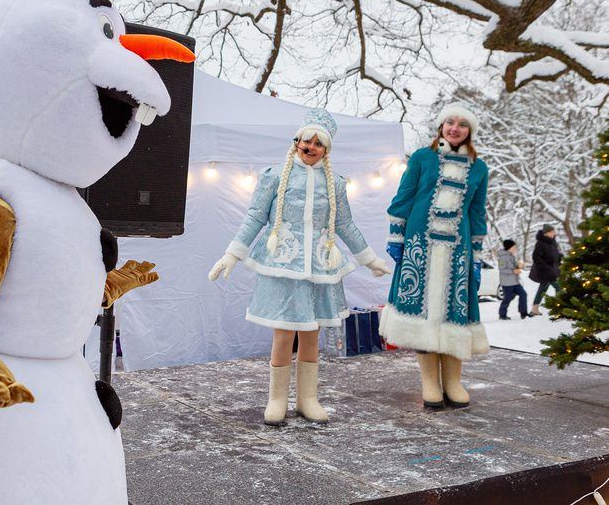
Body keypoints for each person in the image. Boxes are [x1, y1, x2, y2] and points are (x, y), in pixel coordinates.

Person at [208, 108, 391, 426]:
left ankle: (308, 398)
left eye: (319, 143)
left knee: (311, 333)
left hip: (320, 268)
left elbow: (345, 224)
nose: (311, 147)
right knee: (283, 332)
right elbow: (255, 217)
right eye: (307, 140)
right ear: (297, 140)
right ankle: (277, 398)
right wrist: (231, 254)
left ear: (326, 149)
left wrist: (369, 258)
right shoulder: (275, 176)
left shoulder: (334, 183)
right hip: (283, 265)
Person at [379, 105, 489, 409]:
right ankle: (429, 382)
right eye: (450, 122)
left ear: (470, 131)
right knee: (421, 311)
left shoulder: (479, 168)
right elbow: (403, 197)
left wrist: (477, 256)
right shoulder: (421, 158)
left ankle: (453, 382)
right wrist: (396, 237)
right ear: (440, 126)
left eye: (463, 124)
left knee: (455, 310)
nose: (455, 128)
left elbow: (477, 213)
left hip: (458, 248)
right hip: (420, 243)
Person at [529, 223, 561, 315]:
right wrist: (547, 268)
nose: (554, 233)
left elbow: (555, 255)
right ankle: (561, 308)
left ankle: (534, 309)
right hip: (546, 272)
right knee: (559, 288)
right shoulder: (541, 243)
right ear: (546, 233)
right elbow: (536, 258)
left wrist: (560, 259)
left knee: (542, 289)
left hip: (552, 270)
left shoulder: (552, 242)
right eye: (552, 231)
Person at [497, 239, 528, 320]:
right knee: (508, 298)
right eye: (514, 247)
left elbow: (513, 267)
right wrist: (513, 271)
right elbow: (502, 269)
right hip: (507, 283)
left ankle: (523, 313)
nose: (515, 249)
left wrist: (518, 266)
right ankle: (502, 315)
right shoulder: (503, 257)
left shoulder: (511, 256)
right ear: (509, 247)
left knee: (523, 294)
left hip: (515, 282)